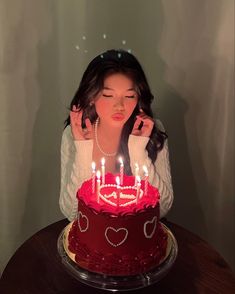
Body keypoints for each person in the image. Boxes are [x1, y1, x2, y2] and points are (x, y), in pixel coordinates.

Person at [59, 49, 173, 221]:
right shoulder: (74, 135)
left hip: (138, 238)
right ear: (91, 96)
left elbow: (162, 208)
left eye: (129, 95)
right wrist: (83, 150)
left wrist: (137, 150)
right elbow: (71, 213)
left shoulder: (151, 130)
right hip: (93, 239)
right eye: (108, 95)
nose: (119, 105)